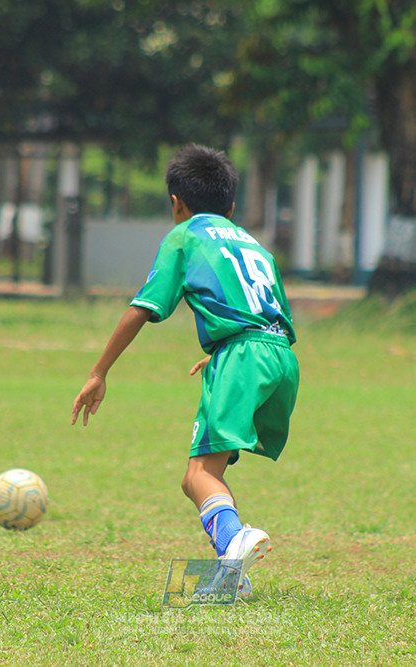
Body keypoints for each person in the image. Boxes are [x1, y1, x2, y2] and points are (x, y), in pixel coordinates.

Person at [71, 144, 300, 596]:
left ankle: (236, 540)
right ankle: (230, 578)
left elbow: (143, 307)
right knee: (198, 475)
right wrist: (222, 349)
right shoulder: (255, 244)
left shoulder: (185, 235)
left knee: (199, 475)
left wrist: (99, 372)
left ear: (176, 203)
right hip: (280, 356)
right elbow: (271, 317)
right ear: (231, 207)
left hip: (241, 357)